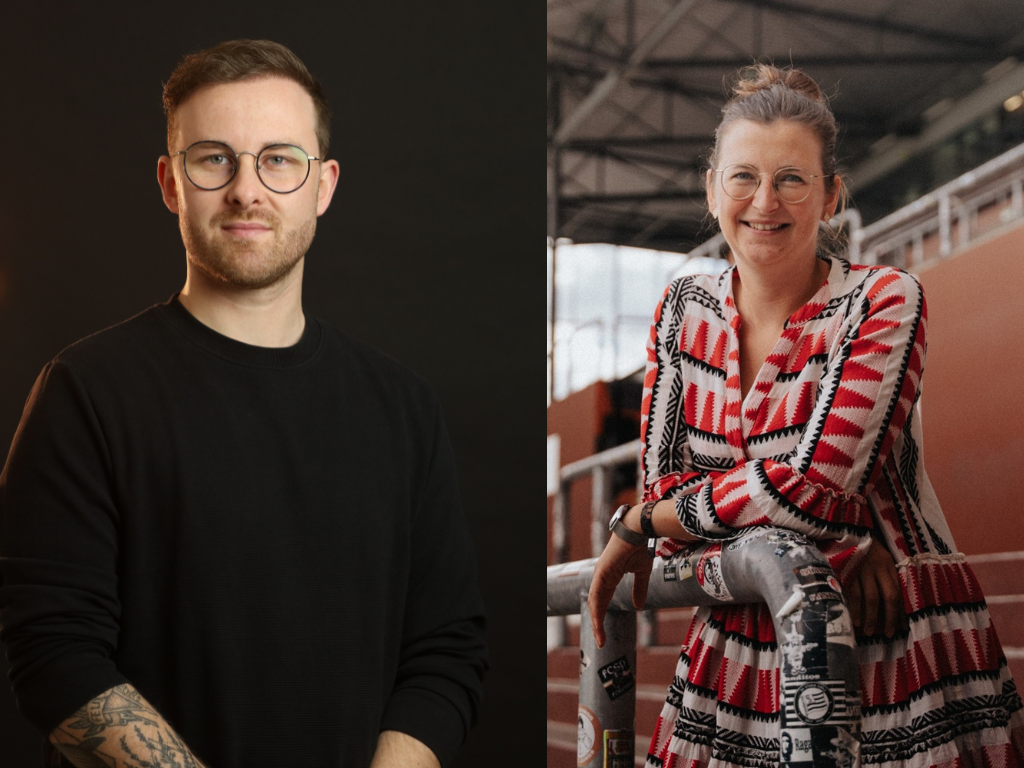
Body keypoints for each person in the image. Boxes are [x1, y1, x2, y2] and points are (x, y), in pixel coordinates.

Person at [0, 39, 486, 768]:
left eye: (279, 159)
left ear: (322, 185)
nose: (247, 190)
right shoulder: (85, 391)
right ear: (171, 183)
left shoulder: (403, 409)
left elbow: (447, 652)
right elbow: (52, 650)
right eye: (214, 158)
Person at [588, 64, 1024, 766]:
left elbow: (812, 483)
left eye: (791, 178)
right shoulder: (681, 311)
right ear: (710, 188)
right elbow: (668, 493)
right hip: (737, 643)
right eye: (743, 177)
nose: (765, 201)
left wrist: (639, 521)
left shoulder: (883, 300)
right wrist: (849, 541)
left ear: (830, 197)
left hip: (892, 639)